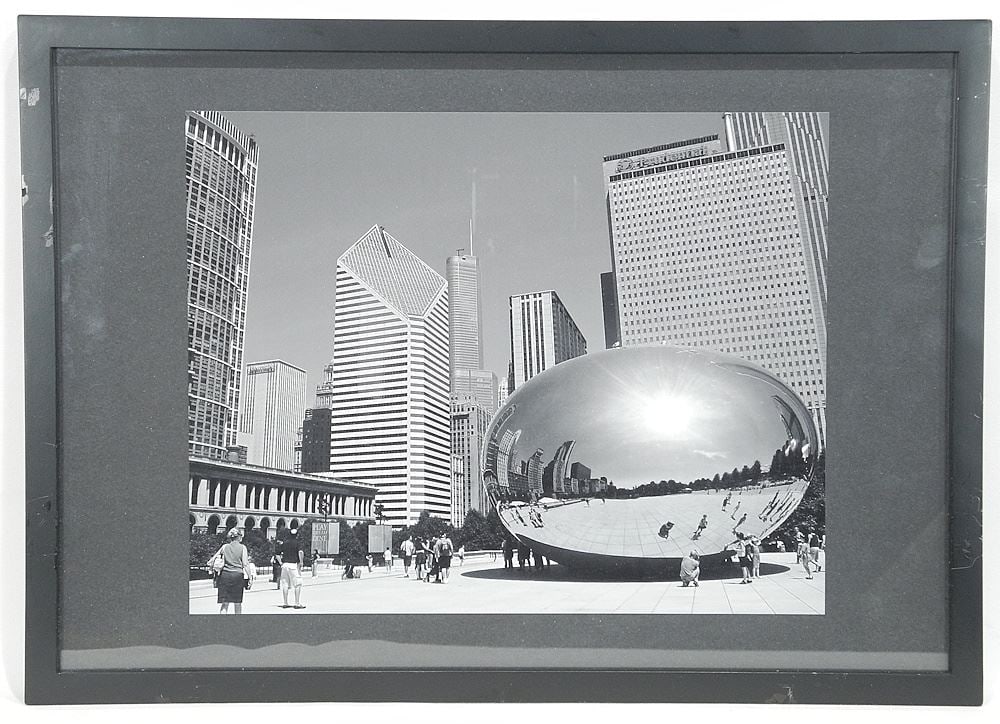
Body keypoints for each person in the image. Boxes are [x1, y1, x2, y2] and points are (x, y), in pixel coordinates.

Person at [210, 527, 250, 614]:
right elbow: (245, 564)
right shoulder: (243, 547)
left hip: (225, 576)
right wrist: (250, 577)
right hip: (238, 576)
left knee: (224, 604)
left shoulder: (224, 547)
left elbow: (212, 560)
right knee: (237, 603)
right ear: (239, 536)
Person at [279, 526, 305, 609]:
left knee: (285, 584)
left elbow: (278, 553)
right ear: (297, 535)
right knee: (298, 584)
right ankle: (297, 603)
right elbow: (300, 552)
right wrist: (301, 562)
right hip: (293, 565)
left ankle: (285, 603)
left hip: (285, 565)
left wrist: (280, 562)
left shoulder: (284, 543)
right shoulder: (297, 542)